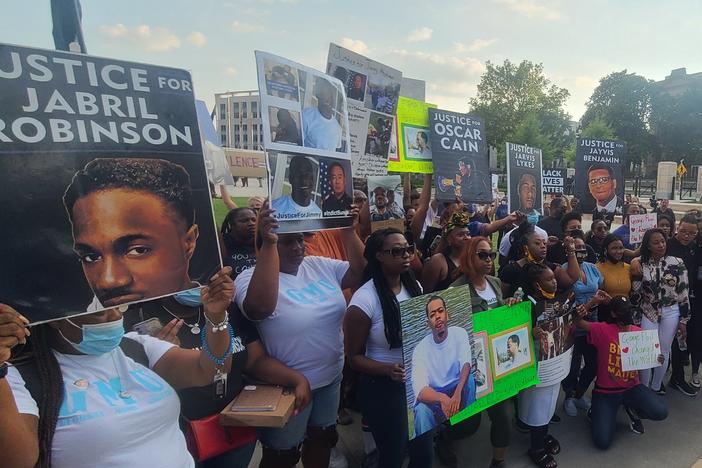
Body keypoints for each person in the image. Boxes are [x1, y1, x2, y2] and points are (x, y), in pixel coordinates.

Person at [1, 266, 238, 468]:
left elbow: (210, 369)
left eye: (117, 308)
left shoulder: (135, 347)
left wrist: (216, 317)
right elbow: (17, 460)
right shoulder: (16, 377)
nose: (114, 317)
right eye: (99, 314)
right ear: (55, 320)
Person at [234, 204, 364, 467]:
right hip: (286, 388)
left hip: (330, 379)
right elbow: (259, 308)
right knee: (282, 454)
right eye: (287, 241)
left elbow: (361, 272)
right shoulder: (247, 279)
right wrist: (270, 243)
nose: (298, 247)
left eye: (300, 239)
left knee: (323, 438)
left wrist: (349, 232)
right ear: (265, 245)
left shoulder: (317, 265)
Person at [122, 290, 312, 468]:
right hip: (180, 434)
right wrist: (160, 357)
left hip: (234, 428)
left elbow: (255, 360)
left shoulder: (227, 307)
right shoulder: (141, 317)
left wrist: (296, 379)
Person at [63, 158, 206, 311]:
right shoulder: (77, 327)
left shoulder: (221, 301)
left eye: (137, 250)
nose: (108, 281)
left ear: (189, 242)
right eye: (91, 257)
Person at [345, 229, 433, 468]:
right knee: (393, 454)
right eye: (396, 251)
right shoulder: (364, 301)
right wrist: (387, 370)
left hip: (417, 382)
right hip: (384, 389)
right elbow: (353, 358)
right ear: (378, 256)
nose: (405, 255)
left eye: (408, 249)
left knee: (424, 452)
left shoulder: (414, 287)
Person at [447, 236, 515, 468]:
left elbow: (499, 315)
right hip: (470, 367)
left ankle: (499, 462)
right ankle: (444, 440)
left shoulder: (495, 282)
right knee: (468, 423)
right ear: (468, 257)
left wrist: (508, 307)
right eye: (482, 255)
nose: (488, 260)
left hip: (496, 363)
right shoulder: (455, 292)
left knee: (503, 416)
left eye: (491, 255)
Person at [575, 296, 668, 448]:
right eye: (623, 311)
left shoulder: (639, 333)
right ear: (613, 314)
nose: (627, 314)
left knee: (661, 412)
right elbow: (577, 322)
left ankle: (630, 408)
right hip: (606, 392)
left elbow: (650, 357)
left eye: (629, 310)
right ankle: (598, 412)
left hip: (632, 388)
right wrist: (591, 302)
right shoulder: (602, 329)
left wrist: (657, 358)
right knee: (602, 442)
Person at [519, 263, 574, 468]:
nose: (555, 281)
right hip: (537, 362)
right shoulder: (528, 303)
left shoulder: (557, 299)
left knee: (548, 402)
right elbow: (516, 332)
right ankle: (536, 448)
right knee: (537, 404)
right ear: (536, 284)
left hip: (554, 360)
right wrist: (532, 333)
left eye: (554, 278)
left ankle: (543, 434)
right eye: (549, 279)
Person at [631, 228, 690, 396]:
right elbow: (636, 293)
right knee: (647, 350)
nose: (660, 245)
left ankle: (656, 387)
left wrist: (684, 319)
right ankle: (643, 388)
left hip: (671, 311)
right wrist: (636, 275)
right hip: (648, 311)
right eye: (655, 242)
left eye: (663, 241)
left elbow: (683, 292)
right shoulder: (640, 262)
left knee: (664, 350)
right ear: (648, 245)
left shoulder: (677, 262)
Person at [412, 296, 476, 437]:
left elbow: (466, 364)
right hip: (434, 396)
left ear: (447, 314)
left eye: (440, 311)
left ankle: (467, 425)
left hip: (456, 389)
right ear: (428, 323)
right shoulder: (420, 349)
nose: (438, 317)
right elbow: (421, 391)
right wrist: (442, 399)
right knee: (421, 411)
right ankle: (430, 442)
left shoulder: (459, 333)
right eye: (432, 315)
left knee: (470, 380)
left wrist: (458, 393)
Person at [423, 211, 518, 293]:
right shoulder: (438, 261)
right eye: (460, 235)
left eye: (468, 234)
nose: (466, 238)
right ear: (449, 239)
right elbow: (426, 294)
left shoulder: (475, 257)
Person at [561, 234, 603, 417]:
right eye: (577, 249)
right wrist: (591, 301)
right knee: (573, 363)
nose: (581, 252)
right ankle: (569, 396)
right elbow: (564, 299)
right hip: (573, 324)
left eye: (584, 248)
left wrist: (599, 300)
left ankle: (579, 393)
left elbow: (600, 287)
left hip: (592, 323)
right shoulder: (564, 270)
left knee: (593, 362)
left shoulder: (593, 269)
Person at [498, 222, 580, 298]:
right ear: (525, 247)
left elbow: (571, 279)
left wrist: (571, 251)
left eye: (544, 243)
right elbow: (500, 298)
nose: (543, 246)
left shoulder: (549, 267)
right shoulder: (511, 270)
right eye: (537, 243)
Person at [302, 77, 342, 151]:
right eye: (324, 92)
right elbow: (297, 145)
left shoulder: (337, 128)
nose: (328, 98)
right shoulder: (306, 116)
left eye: (331, 94)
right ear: (318, 95)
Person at [221, 208, 257, 279]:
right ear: (232, 224)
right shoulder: (222, 245)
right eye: (244, 221)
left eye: (254, 220)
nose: (251, 223)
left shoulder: (264, 243)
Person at [596, 234, 632, 302]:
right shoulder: (597, 268)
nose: (618, 251)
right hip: (605, 310)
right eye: (614, 248)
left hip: (626, 310)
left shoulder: (629, 268)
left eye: (621, 248)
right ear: (606, 250)